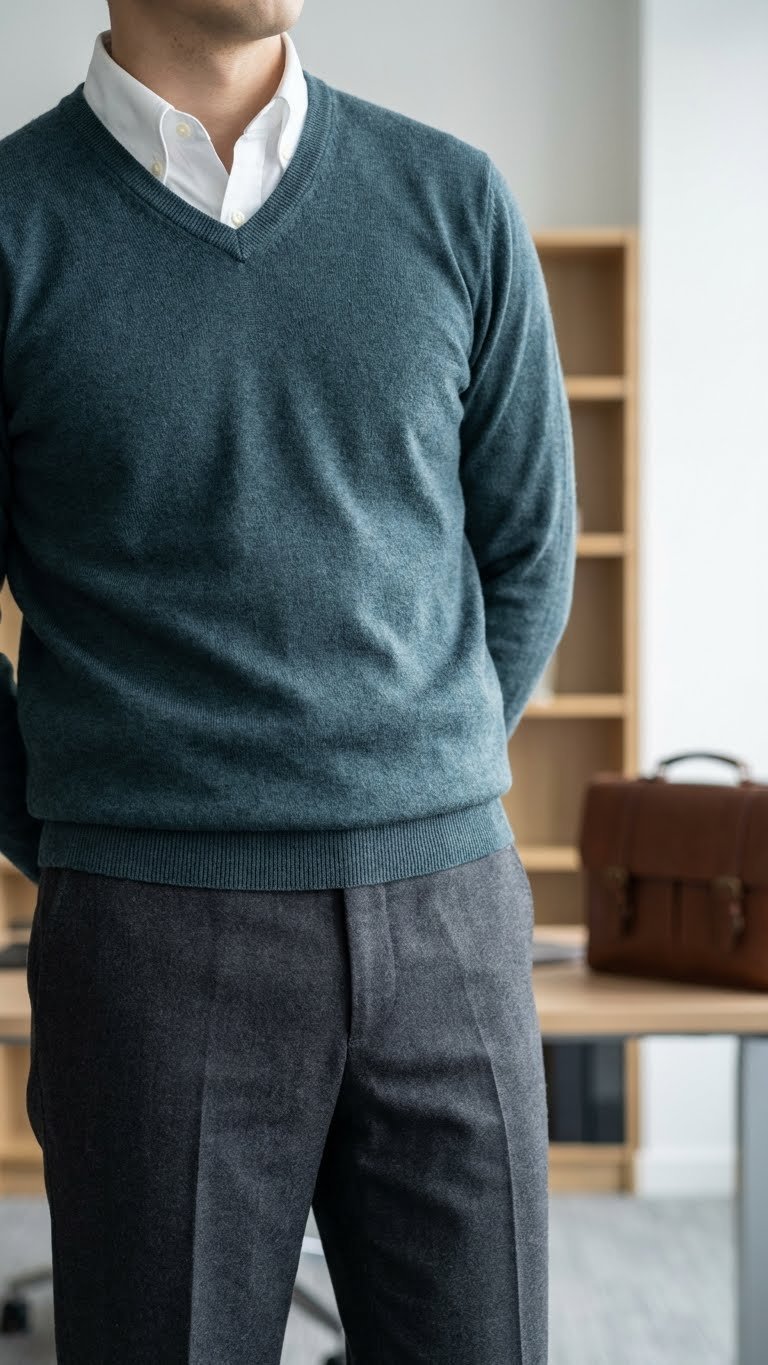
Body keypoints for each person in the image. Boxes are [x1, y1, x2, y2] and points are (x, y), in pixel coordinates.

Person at [0, 2, 577, 1361]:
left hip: (453, 922)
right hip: (153, 936)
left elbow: (530, 552)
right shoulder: (17, 225)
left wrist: (415, 782)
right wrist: (97, 832)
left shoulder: (453, 199)